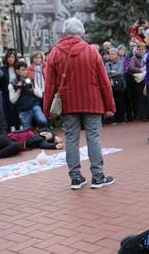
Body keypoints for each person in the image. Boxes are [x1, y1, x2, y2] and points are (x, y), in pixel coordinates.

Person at [43, 18, 116, 190]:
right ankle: (98, 177)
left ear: (64, 33)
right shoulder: (91, 51)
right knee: (94, 137)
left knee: (71, 139)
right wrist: (110, 106)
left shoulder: (55, 53)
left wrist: (47, 109)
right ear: (82, 33)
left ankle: (75, 178)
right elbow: (104, 81)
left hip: (68, 103)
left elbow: (49, 85)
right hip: (92, 101)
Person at [9, 61, 47, 130]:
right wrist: (18, 91)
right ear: (17, 71)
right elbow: (12, 100)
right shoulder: (12, 83)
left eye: (26, 69)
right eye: (23, 70)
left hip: (34, 106)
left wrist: (33, 90)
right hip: (23, 110)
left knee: (43, 121)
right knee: (27, 130)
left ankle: (40, 131)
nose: (25, 71)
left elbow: (40, 95)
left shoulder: (32, 79)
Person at [0, 49, 21, 131]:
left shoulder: (18, 67)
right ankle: (11, 126)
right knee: (9, 110)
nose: (10, 59)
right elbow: (0, 81)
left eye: (12, 57)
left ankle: (19, 125)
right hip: (6, 92)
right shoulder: (2, 69)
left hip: (18, 91)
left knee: (17, 109)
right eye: (9, 57)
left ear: (15, 58)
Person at [105, 48, 126, 124]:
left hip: (119, 85)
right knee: (113, 102)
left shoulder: (121, 62)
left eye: (113, 54)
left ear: (116, 55)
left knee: (121, 101)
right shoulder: (107, 64)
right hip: (110, 85)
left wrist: (111, 73)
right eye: (110, 54)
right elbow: (106, 73)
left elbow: (120, 73)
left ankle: (121, 119)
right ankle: (114, 119)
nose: (111, 55)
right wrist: (114, 72)